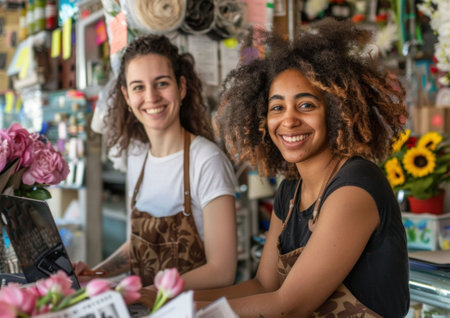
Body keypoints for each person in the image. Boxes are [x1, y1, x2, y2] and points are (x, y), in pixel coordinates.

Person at [195, 18, 410, 317]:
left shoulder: (356, 185)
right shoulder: (290, 191)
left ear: (336, 112)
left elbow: (289, 306)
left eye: (306, 105)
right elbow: (262, 286)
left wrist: (186, 310)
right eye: (277, 107)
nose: (289, 120)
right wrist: (172, 299)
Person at [74, 34, 238, 295]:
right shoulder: (137, 158)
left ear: (181, 87)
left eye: (161, 83)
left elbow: (223, 271)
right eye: (138, 87)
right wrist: (96, 273)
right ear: (127, 97)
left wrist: (139, 293)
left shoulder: (206, 161)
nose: (151, 97)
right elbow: (138, 245)